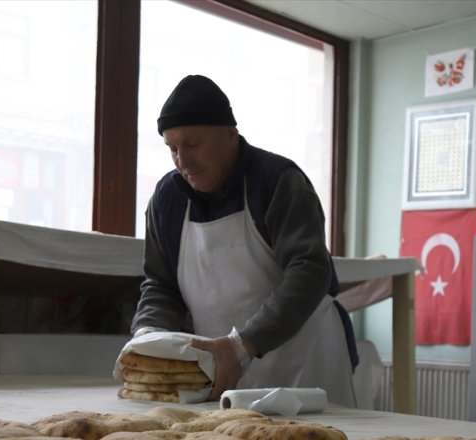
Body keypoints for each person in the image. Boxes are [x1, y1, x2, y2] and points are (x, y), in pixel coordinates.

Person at [127, 74, 358, 407]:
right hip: (223, 366)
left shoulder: (277, 180)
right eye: (172, 148)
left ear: (231, 136)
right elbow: (161, 285)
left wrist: (243, 345)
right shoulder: (167, 199)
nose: (183, 161)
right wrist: (148, 335)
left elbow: (308, 271)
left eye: (193, 144)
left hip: (304, 356)